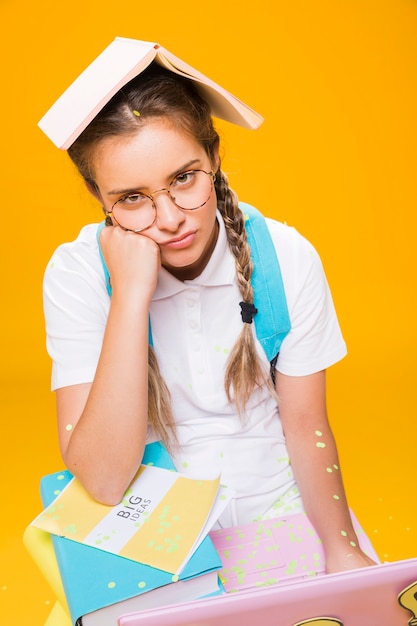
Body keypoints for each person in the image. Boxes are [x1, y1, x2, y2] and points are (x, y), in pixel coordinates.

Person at [41, 40, 376, 575]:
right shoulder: (76, 274)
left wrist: (340, 547)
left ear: (215, 156)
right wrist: (130, 297)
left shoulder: (285, 257)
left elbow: (307, 424)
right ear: (95, 193)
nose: (170, 218)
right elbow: (102, 478)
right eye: (131, 198)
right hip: (150, 524)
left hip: (279, 506)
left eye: (183, 178)